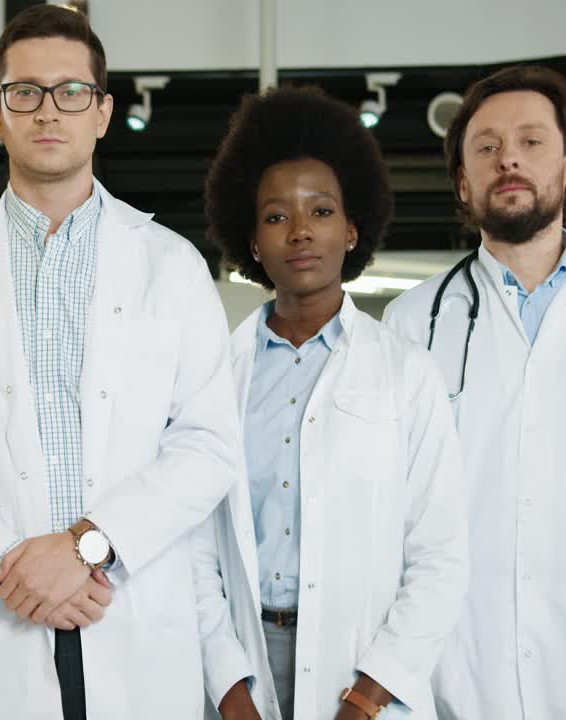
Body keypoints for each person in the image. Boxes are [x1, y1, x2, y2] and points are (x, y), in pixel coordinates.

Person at [0, 5, 240, 719]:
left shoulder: (172, 266)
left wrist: (85, 547)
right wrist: (9, 567)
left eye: (72, 92)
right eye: (25, 92)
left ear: (102, 112)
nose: (48, 111)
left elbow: (208, 444)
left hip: (127, 611)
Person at [383, 64, 566, 719]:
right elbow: (389, 507)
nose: (508, 158)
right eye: (486, 147)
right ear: (464, 184)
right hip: (462, 667)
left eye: (531, 141)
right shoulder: (411, 324)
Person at [194, 87, 467, 720]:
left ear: (351, 229)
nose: (299, 232)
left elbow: (439, 554)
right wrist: (231, 689)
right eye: (275, 216)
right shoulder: (213, 376)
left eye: (319, 211)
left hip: (364, 668)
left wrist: (370, 698)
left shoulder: (407, 372)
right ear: (252, 242)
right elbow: (195, 549)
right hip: (245, 657)